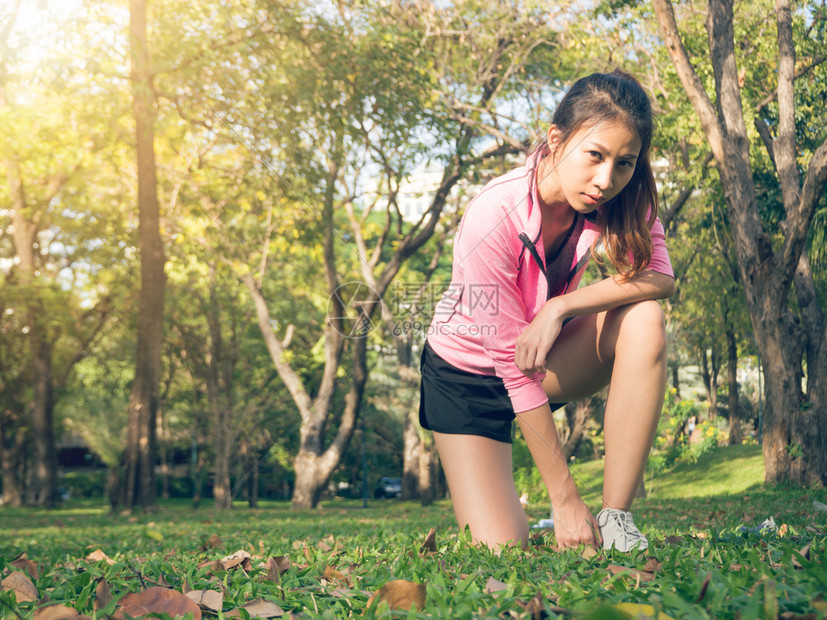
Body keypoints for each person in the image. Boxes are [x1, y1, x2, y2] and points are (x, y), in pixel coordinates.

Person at [419, 69, 674, 552]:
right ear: (556, 139)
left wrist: (562, 305)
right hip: (464, 381)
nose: (606, 179)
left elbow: (660, 277)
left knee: (643, 318)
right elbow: (512, 374)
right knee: (501, 547)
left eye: (624, 163)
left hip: (540, 356)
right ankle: (544, 516)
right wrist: (564, 498)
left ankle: (616, 519)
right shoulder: (492, 214)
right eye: (595, 156)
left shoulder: (622, 195)